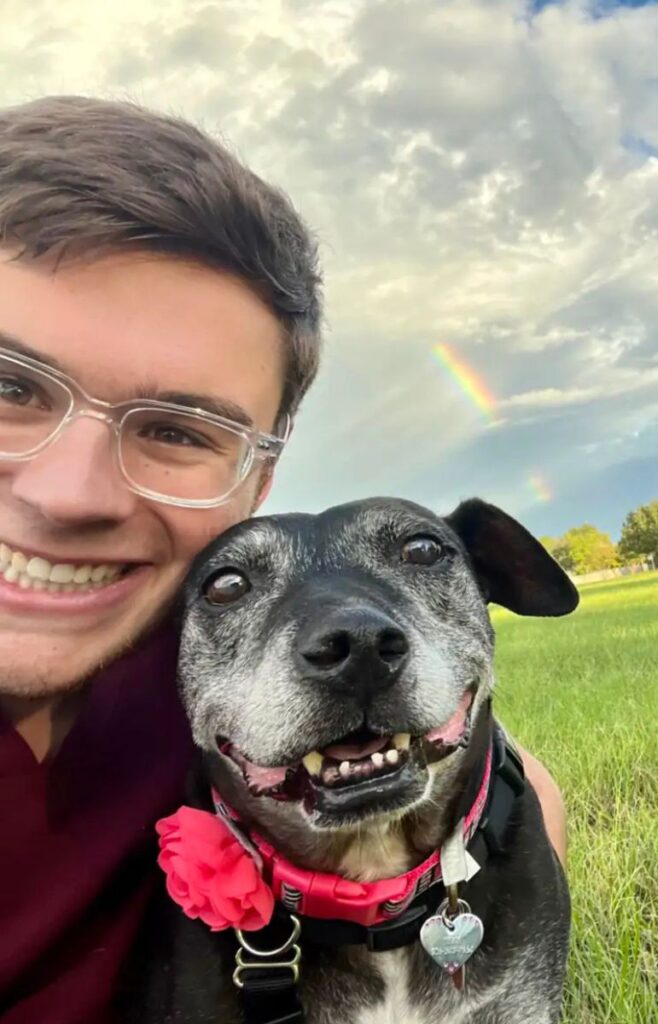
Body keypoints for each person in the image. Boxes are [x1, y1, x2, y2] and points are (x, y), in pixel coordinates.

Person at [0, 95, 567, 1024]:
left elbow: (516, 776)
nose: (72, 493)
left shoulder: (155, 647)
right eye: (8, 384)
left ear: (256, 475)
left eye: (180, 428)